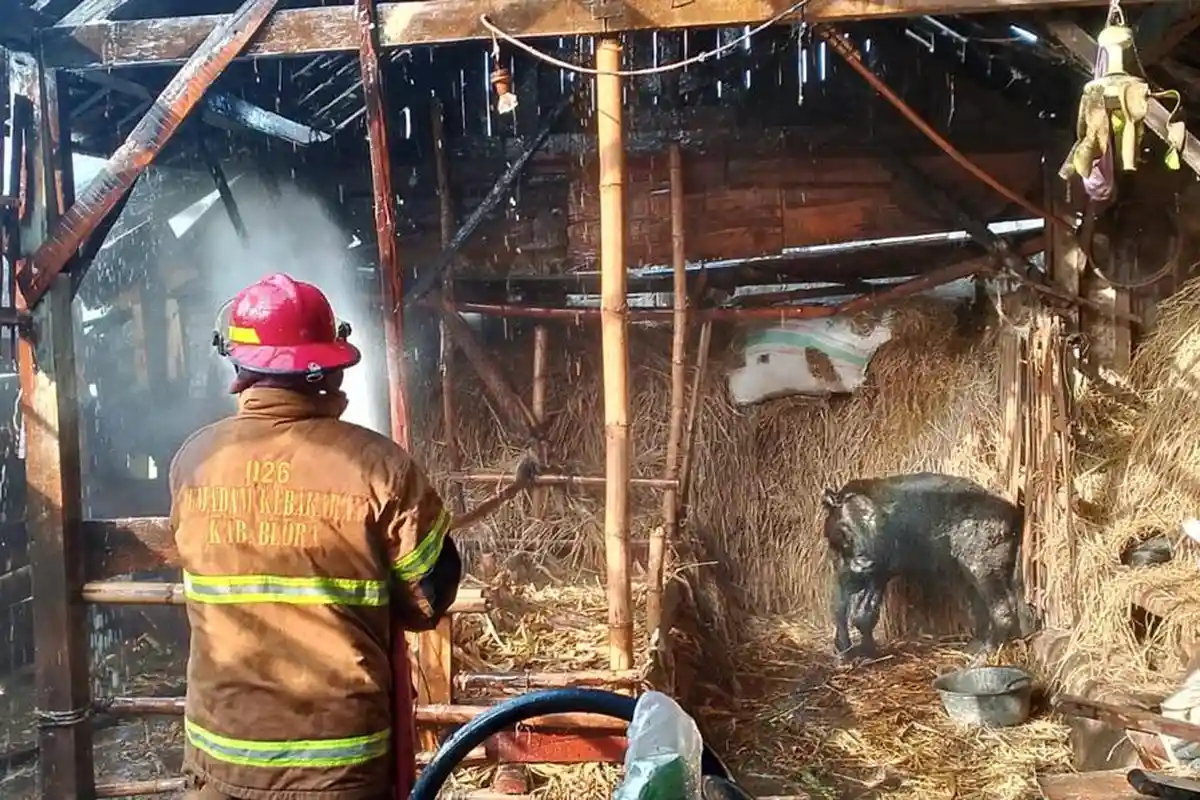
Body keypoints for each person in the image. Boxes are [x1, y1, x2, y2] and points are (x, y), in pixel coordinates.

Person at [171, 273, 461, 800]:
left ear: (239, 366)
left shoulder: (194, 462)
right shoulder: (380, 469)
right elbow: (429, 597)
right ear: (328, 366)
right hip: (339, 767)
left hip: (219, 760)